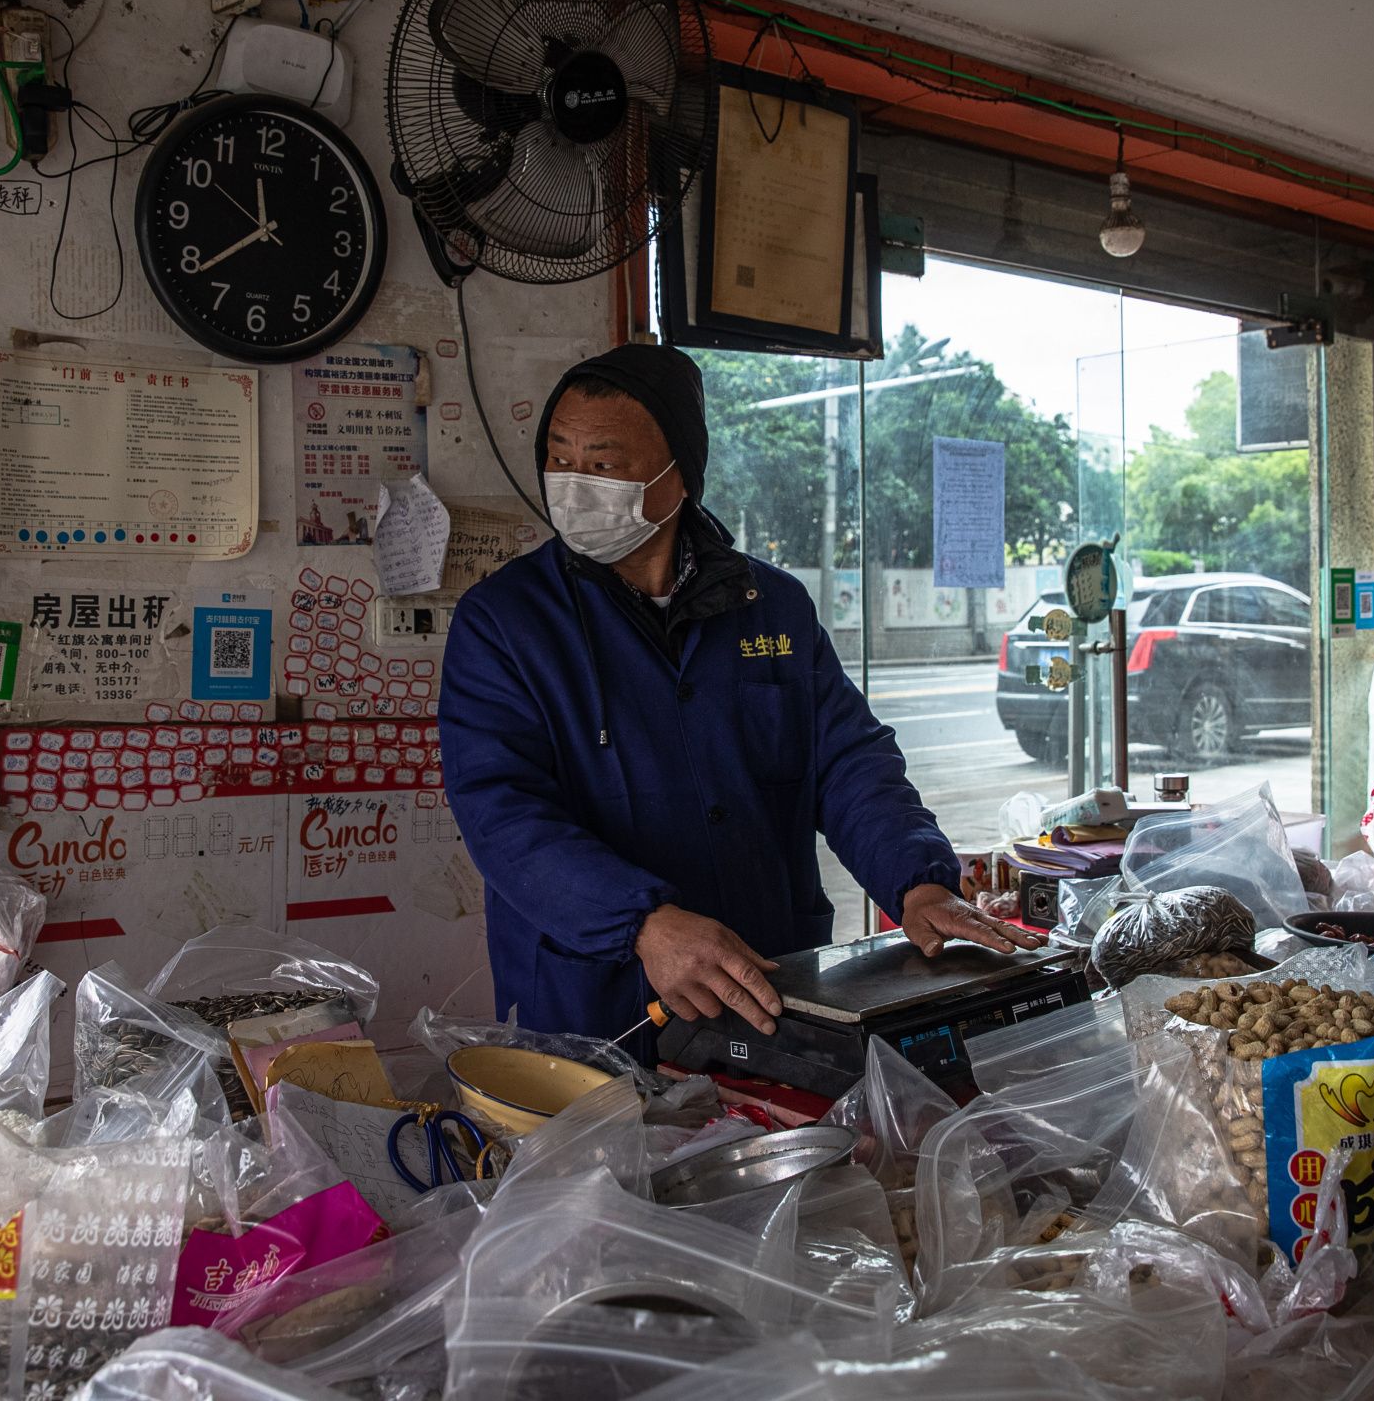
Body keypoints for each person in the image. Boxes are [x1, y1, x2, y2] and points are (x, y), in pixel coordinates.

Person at [438, 343, 1039, 1048]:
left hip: (771, 985)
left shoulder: (771, 607)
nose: (573, 486)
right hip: (596, 1003)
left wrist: (917, 879)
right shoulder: (505, 623)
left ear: (678, 475)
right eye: (559, 458)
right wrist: (641, 923)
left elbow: (847, 760)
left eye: (603, 465)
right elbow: (502, 812)